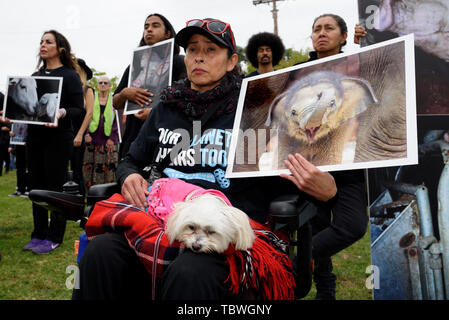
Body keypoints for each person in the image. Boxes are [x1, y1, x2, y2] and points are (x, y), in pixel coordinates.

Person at [73, 17, 365, 301]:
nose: (199, 58)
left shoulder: (258, 106)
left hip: (228, 226)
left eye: (210, 50)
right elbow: (130, 160)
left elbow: (293, 173)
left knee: (191, 271)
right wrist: (129, 175)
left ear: (230, 61)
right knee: (101, 254)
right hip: (161, 219)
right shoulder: (165, 107)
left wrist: (327, 191)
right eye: (193, 50)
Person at [288, 13, 368, 300]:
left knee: (352, 225)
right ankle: (326, 291)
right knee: (317, 226)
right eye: (316, 29)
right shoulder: (298, 72)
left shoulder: (357, 65)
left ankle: (296, 261)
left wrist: (366, 41)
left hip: (349, 162)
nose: (321, 33)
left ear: (344, 36)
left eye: (329, 28)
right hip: (312, 162)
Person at [23, 30, 85, 255]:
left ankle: (54, 236)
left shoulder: (69, 75)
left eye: (48, 41)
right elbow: (30, 108)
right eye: (41, 41)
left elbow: (80, 109)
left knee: (55, 187)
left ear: (60, 48)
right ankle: (38, 233)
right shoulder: (34, 75)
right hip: (36, 137)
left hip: (59, 139)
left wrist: (61, 112)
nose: (43, 44)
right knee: (35, 187)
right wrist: (15, 114)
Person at [112, 13, 187, 160]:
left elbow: (187, 99)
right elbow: (115, 102)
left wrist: (155, 113)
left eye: (155, 25)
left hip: (166, 140)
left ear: (168, 34)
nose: (149, 29)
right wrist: (125, 94)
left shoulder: (179, 62)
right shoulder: (134, 66)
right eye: (146, 27)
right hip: (133, 139)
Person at [82, 76, 119, 190]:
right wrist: (87, 133)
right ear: (97, 85)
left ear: (109, 86)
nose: (102, 84)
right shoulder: (91, 99)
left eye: (105, 83)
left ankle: (106, 196)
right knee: (89, 170)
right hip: (92, 140)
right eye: (100, 83)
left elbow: (117, 121)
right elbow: (86, 116)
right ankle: (90, 196)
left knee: (109, 170)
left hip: (109, 141)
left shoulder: (115, 100)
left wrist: (112, 138)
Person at [70, 58, 94, 195]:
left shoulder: (87, 90)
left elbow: (89, 113)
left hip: (78, 133)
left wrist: (80, 134)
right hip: (65, 132)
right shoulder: (69, 89)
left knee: (76, 170)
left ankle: (78, 202)